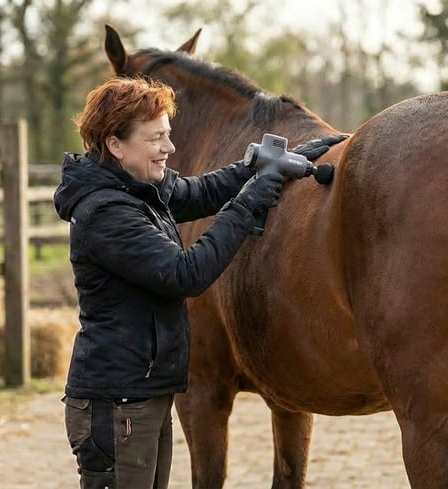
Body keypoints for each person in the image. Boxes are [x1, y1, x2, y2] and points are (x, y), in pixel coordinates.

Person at [53, 76, 346, 489]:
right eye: (155, 138)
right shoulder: (107, 212)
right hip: (117, 403)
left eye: (168, 136)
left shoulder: (138, 187)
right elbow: (185, 273)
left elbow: (200, 190)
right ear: (116, 145)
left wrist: (261, 166)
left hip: (143, 392)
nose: (170, 148)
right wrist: (251, 200)